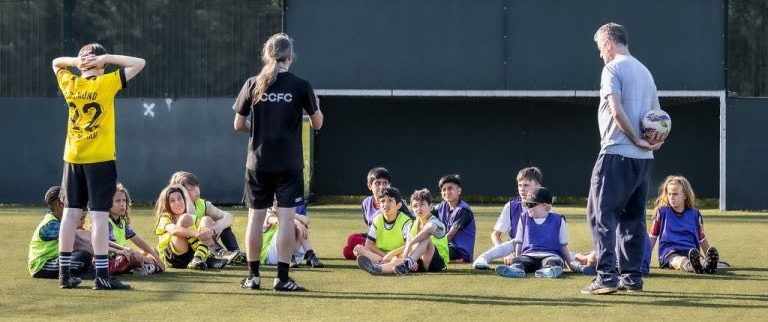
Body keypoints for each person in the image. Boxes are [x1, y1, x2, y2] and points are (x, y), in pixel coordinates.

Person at [233, 33, 323, 291]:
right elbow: (318, 123)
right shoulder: (300, 85)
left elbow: (238, 124)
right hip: (289, 163)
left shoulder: (253, 83)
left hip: (258, 163)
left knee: (255, 219)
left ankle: (253, 277)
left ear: (267, 55)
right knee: (286, 220)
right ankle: (282, 279)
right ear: (290, 58)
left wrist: (258, 131)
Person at [582, 23, 667, 295]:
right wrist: (650, 142)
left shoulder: (613, 68)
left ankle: (606, 277)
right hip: (643, 159)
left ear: (608, 42)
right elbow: (658, 115)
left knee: (600, 215)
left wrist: (637, 139)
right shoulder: (645, 71)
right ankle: (631, 278)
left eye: (599, 48)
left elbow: (617, 112)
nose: (600, 55)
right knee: (633, 218)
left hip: (617, 152)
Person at [52, 43, 145, 290]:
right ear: (102, 64)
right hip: (100, 159)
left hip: (72, 157)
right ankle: (102, 275)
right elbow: (139, 62)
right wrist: (106, 58)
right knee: (99, 216)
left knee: (71, 213)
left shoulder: (71, 83)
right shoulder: (106, 83)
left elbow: (55, 63)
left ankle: (65, 274)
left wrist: (76, 62)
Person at [495, 187, 573, 278]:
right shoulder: (523, 218)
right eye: (526, 204)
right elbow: (519, 243)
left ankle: (549, 271)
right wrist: (517, 258)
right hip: (528, 255)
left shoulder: (558, 220)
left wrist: (570, 265)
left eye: (531, 204)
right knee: (518, 261)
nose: (528, 207)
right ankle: (516, 269)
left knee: (554, 261)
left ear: (544, 205)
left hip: (551, 255)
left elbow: (563, 246)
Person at [474, 167, 542, 269]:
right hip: (517, 249)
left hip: (540, 251)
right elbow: (495, 235)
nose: (522, 189)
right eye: (520, 185)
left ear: (537, 185)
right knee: (517, 241)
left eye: (526, 185)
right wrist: (506, 254)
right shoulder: (511, 206)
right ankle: (483, 258)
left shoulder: (545, 206)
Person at [648, 175, 719, 274]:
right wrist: (644, 260)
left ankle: (708, 265)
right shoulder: (662, 212)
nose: (671, 197)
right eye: (669, 194)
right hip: (669, 252)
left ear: (685, 195)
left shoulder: (695, 214)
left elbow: (702, 239)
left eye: (675, 194)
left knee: (699, 259)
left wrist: (708, 256)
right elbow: (652, 237)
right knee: (678, 260)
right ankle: (690, 266)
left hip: (691, 251)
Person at [168, 171, 243, 264]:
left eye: (197, 186)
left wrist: (216, 228)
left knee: (222, 222)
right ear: (181, 191)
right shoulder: (176, 207)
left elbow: (229, 216)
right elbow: (190, 217)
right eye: (191, 189)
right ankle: (216, 253)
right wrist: (185, 195)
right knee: (204, 220)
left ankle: (236, 253)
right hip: (182, 253)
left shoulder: (202, 204)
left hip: (200, 245)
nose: (197, 191)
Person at [343, 167, 412, 259]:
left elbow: (411, 222)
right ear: (370, 186)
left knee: (352, 247)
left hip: (394, 241)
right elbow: (370, 226)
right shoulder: (366, 202)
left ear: (389, 185)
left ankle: (378, 257)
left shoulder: (397, 202)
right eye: (377, 183)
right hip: (376, 238)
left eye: (385, 183)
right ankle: (375, 255)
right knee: (350, 243)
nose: (382, 186)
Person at [154, 185, 228, 270]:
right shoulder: (164, 217)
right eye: (172, 201)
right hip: (173, 258)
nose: (177, 202)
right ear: (166, 205)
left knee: (206, 219)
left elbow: (227, 218)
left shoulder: (190, 217)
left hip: (191, 255)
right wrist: (196, 234)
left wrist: (213, 231)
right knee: (186, 219)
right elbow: (174, 230)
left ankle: (198, 259)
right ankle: (209, 257)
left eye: (179, 198)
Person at [29, 186, 92, 279]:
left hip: (55, 260)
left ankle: (85, 271)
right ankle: (80, 273)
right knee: (83, 256)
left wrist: (116, 251)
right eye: (68, 202)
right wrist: (97, 254)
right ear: (60, 205)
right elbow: (79, 243)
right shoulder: (51, 225)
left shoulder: (61, 222)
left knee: (84, 255)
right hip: (41, 266)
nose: (72, 206)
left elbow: (86, 240)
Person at [107, 183, 165, 275]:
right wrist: (154, 260)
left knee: (152, 250)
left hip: (123, 255)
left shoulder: (122, 222)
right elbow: (107, 246)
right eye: (118, 201)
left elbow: (139, 241)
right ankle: (151, 265)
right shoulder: (106, 223)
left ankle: (148, 265)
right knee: (136, 256)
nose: (122, 204)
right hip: (111, 261)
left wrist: (155, 256)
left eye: (124, 200)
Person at [354, 187, 413, 269]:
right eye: (382, 201)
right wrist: (386, 256)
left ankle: (379, 265)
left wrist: (391, 255)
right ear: (379, 205)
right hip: (381, 254)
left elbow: (409, 245)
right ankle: (387, 264)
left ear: (398, 205)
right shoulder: (377, 219)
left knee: (406, 256)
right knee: (357, 249)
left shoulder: (406, 221)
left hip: (398, 253)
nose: (385, 204)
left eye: (390, 200)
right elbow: (369, 244)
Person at [260, 200, 323, 268]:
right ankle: (289, 257)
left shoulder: (287, 212)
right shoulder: (266, 213)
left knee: (294, 223)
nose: (275, 202)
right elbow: (278, 221)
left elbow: (307, 221)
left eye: (278, 200)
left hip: (295, 258)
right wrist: (297, 223)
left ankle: (310, 256)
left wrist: (294, 217)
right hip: (270, 257)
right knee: (288, 224)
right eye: (273, 200)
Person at [435, 174, 476, 263]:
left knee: (430, 252)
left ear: (459, 191)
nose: (447, 192)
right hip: (447, 246)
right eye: (443, 190)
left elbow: (450, 235)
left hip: (460, 251)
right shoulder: (442, 206)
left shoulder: (463, 210)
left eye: (450, 188)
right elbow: (427, 214)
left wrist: (433, 245)